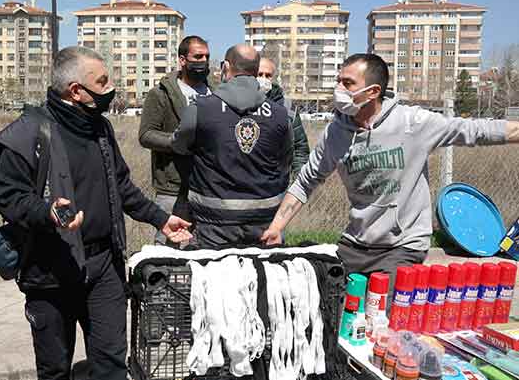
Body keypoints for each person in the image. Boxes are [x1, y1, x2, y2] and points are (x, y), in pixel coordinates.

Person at [0, 46, 192, 380]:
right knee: (55, 369)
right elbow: (8, 197)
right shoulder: (29, 132)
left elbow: (122, 187)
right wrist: (47, 211)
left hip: (104, 269)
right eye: (102, 82)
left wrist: (161, 219)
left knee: (111, 365)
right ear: (76, 91)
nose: (110, 87)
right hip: (51, 271)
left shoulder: (100, 129)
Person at [262, 53, 519, 297]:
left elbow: (475, 130)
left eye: (347, 83)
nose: (338, 89)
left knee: (379, 316)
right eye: (338, 81)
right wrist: (276, 227)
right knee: (337, 308)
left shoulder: (412, 123)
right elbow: (306, 181)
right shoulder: (335, 134)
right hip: (357, 242)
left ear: (373, 92)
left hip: (403, 245)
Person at [173, 44, 293, 248]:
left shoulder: (201, 109)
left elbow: (180, 146)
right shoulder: (281, 114)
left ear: (226, 67)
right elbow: (285, 161)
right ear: (256, 72)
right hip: (265, 222)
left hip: (213, 222)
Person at [139, 35, 212, 246]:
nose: (203, 62)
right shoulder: (161, 94)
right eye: (197, 56)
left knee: (200, 249)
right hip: (172, 188)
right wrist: (176, 141)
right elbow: (146, 135)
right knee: (168, 248)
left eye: (206, 57)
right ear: (182, 60)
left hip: (205, 186)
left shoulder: (213, 94)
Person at [257, 57, 310, 177]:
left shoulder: (287, 107)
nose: (263, 79)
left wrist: (298, 181)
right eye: (259, 74)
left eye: (268, 75)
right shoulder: (240, 104)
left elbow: (300, 148)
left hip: (279, 183)